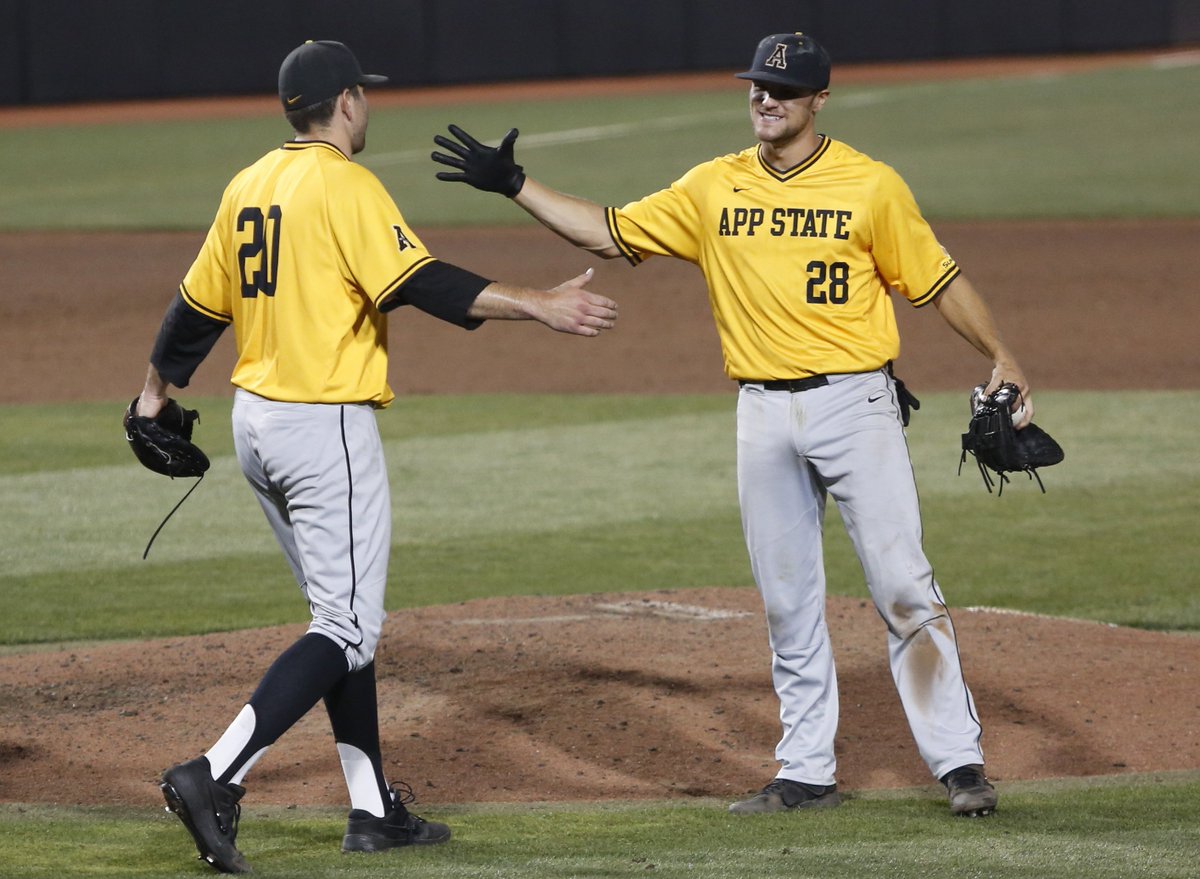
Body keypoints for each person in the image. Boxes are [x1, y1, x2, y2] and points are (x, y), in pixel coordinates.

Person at [431, 32, 1029, 818]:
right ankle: (806, 770)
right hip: (760, 412)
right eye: (756, 86)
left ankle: (958, 762)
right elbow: (609, 232)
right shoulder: (714, 186)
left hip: (856, 405)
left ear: (819, 99)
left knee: (903, 585)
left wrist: (1003, 355)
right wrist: (514, 183)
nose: (765, 99)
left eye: (783, 89)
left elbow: (938, 281)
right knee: (787, 600)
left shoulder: (871, 186)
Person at [139, 39, 617, 873]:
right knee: (346, 623)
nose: (371, 107)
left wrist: (152, 396)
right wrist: (538, 303)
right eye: (367, 96)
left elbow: (194, 310)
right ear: (348, 101)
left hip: (256, 423)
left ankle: (372, 809)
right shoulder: (345, 185)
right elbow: (418, 281)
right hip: (321, 427)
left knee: (341, 619)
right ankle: (214, 773)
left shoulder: (249, 183)